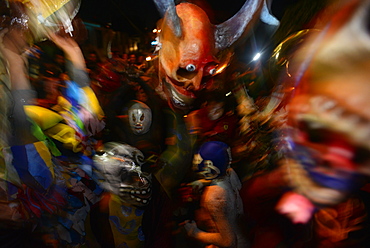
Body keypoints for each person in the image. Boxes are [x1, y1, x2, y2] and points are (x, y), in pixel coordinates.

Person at [183, 141, 248, 248]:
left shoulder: (213, 198)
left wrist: (195, 233)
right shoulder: (231, 173)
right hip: (243, 235)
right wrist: (203, 181)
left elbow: (228, 242)